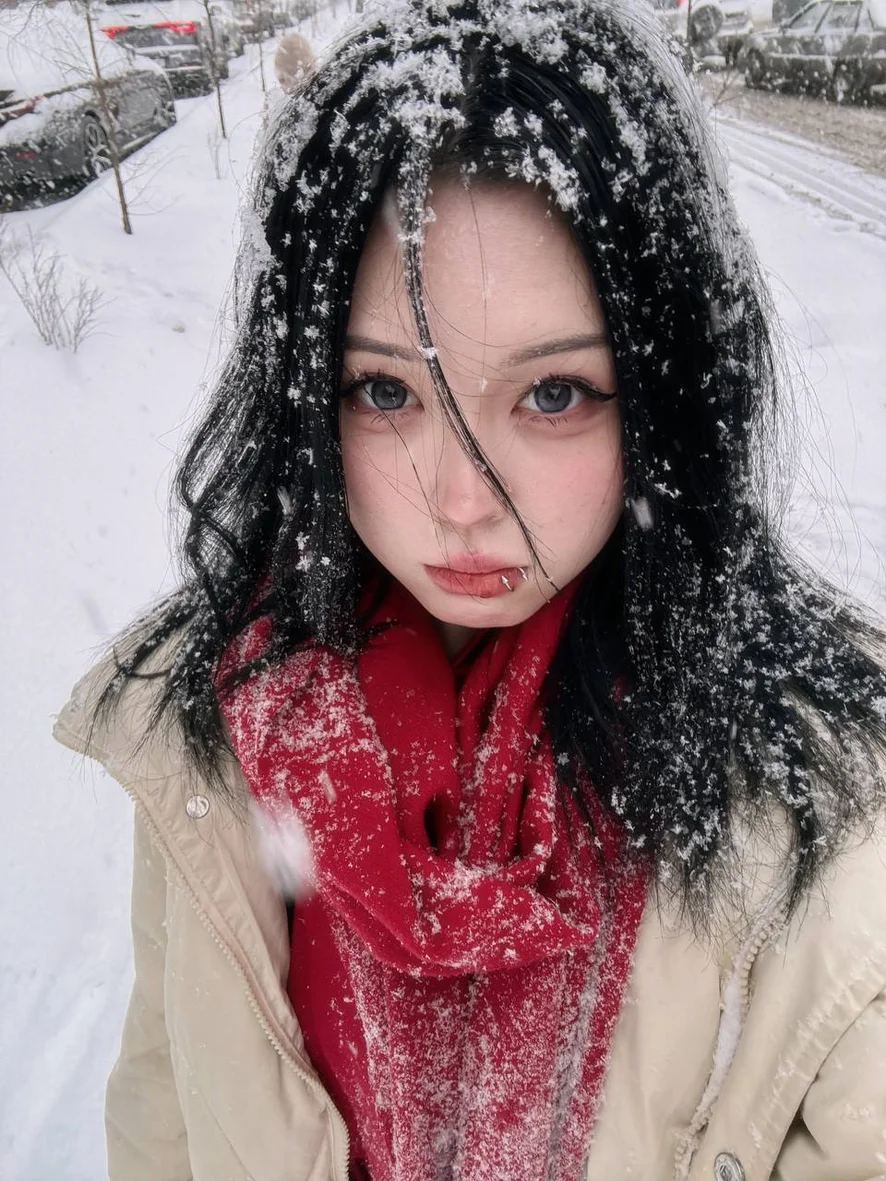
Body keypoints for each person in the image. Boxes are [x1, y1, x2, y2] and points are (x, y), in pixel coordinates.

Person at [53, 0, 886, 1178]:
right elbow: (164, 1111)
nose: (458, 499)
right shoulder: (211, 731)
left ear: (667, 401)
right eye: (386, 392)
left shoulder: (819, 809)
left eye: (553, 393)